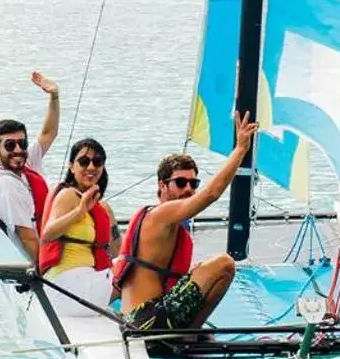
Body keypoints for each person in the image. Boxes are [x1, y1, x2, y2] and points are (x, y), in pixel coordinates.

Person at [110, 112, 259, 334]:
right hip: (148, 321)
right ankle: (190, 335)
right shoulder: (161, 214)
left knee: (200, 269)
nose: (188, 189)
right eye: (180, 183)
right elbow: (212, 193)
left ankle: (188, 334)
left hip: (135, 320)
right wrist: (240, 150)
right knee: (224, 264)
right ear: (162, 185)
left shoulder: (157, 222)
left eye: (193, 183)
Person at [0, 72, 61, 263]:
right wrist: (50, 276)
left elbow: (48, 132)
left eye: (22, 144)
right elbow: (27, 238)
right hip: (39, 260)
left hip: (50, 242)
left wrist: (54, 96)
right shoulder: (6, 186)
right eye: (9, 145)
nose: (18, 150)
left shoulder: (23, 164)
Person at [37, 138, 118, 309]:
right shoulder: (68, 195)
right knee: (139, 271)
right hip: (68, 286)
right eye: (83, 162)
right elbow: (47, 234)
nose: (91, 167)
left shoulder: (102, 208)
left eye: (97, 162)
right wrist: (79, 211)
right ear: (71, 166)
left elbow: (118, 251)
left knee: (137, 266)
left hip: (85, 282)